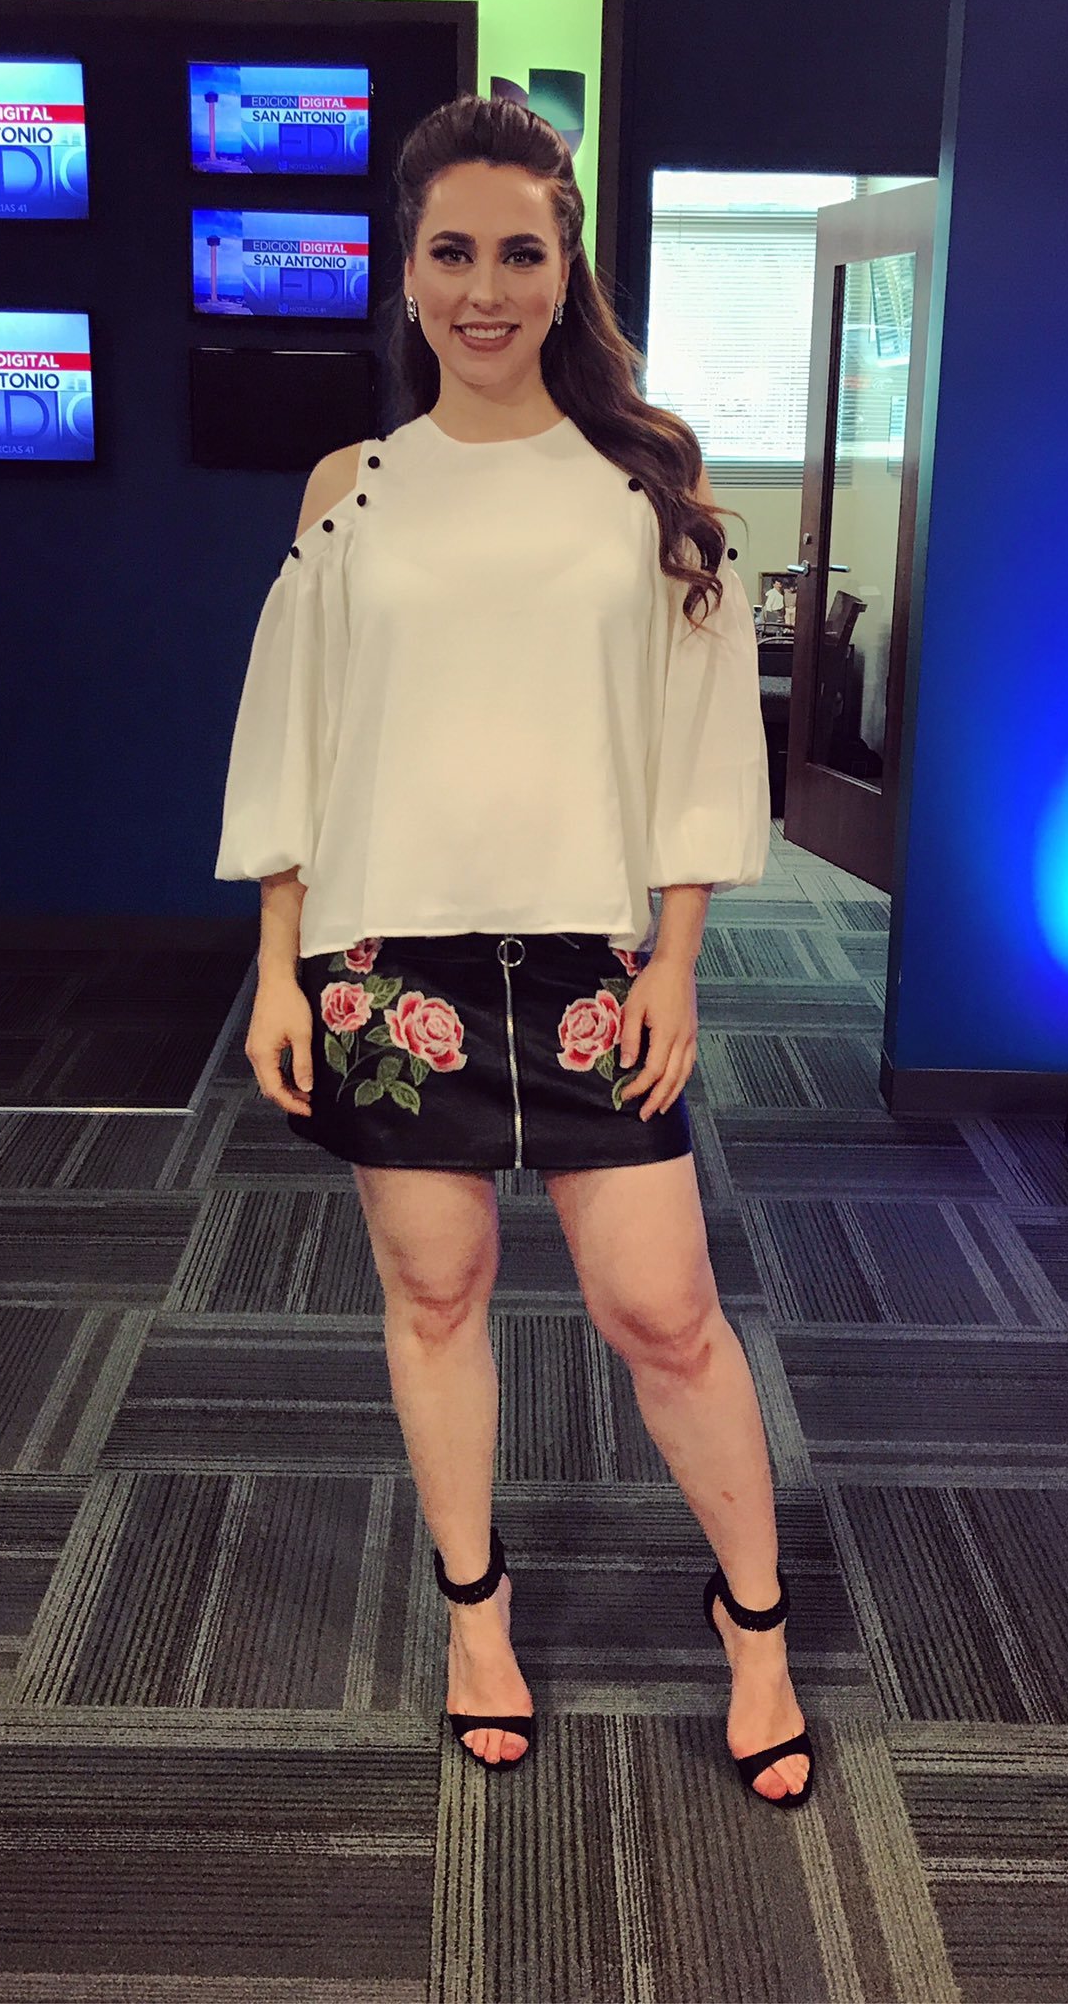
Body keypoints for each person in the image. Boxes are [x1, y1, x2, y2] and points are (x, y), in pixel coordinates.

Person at [214, 94, 813, 1811]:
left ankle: (754, 1627)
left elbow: (702, 742)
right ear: (406, 274)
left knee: (663, 1312)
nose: (486, 290)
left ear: (568, 271)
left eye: (521, 254)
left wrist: (678, 960)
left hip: (588, 967)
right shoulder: (353, 490)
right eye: (453, 253)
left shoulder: (649, 480)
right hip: (384, 963)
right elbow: (299, 734)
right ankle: (476, 1621)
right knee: (435, 1293)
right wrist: (278, 959)